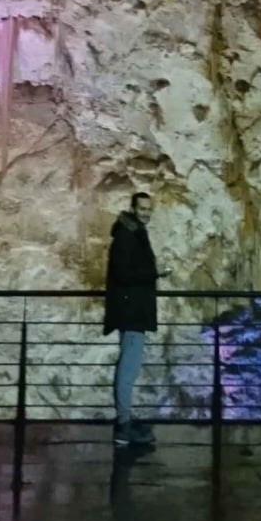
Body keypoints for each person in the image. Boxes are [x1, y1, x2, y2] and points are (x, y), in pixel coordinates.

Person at [103, 191, 170, 446]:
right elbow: (125, 273)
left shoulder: (132, 233)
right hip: (131, 312)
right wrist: (155, 273)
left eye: (148, 209)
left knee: (128, 367)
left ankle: (125, 422)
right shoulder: (127, 235)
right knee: (128, 370)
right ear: (132, 208)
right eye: (142, 208)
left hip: (132, 310)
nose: (146, 213)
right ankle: (123, 426)